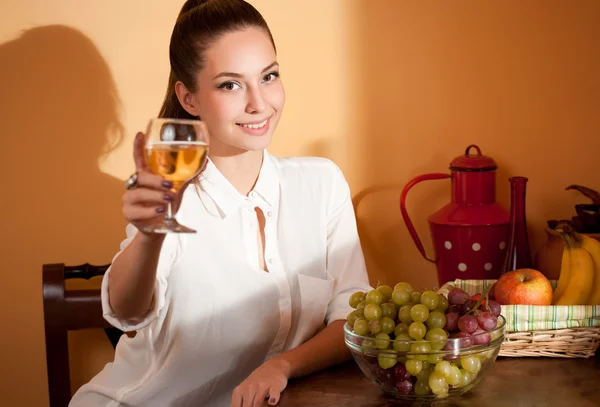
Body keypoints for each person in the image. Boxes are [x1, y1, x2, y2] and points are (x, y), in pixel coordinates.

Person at [70, 0, 372, 406]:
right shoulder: (173, 196)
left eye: (268, 76)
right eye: (230, 84)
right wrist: (148, 235)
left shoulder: (321, 184)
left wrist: (282, 365)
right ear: (189, 98)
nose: (259, 103)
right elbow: (127, 312)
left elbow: (351, 318)